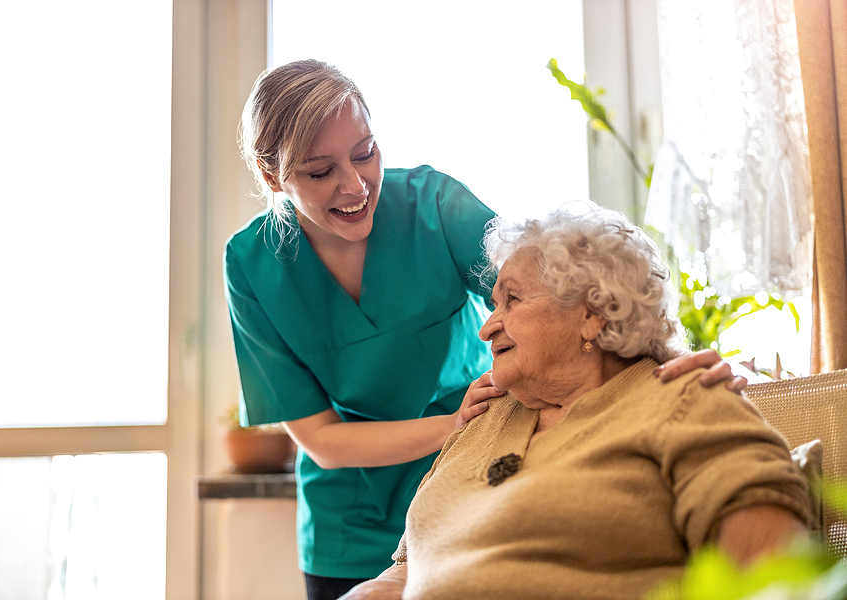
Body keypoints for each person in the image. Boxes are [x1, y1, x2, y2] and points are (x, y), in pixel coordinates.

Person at [224, 59, 746, 600]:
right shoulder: (251, 264)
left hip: (481, 484)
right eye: (319, 171)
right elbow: (321, 440)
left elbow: (564, 300)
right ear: (271, 175)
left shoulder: (434, 206)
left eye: (365, 152)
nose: (355, 185)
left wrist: (678, 359)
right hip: (352, 521)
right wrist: (452, 428)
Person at [340, 202, 811, 600]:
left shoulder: (685, 397)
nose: (487, 328)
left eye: (512, 301)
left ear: (591, 313)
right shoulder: (483, 417)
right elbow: (409, 571)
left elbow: (769, 570)